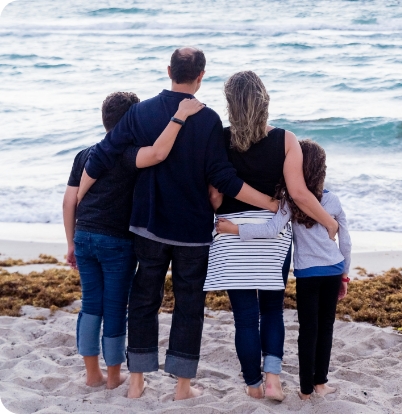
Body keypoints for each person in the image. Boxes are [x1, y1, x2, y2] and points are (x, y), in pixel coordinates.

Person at [79, 47, 279, 401]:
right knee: (189, 306)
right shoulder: (208, 119)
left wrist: (79, 196)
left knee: (144, 301)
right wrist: (270, 203)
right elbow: (223, 177)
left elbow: (104, 154)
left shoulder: (140, 112)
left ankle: (136, 382)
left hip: (148, 225)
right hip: (192, 231)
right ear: (201, 76)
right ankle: (182, 388)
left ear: (169, 70)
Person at [203, 71, 339, 401]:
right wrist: (328, 223)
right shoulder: (286, 139)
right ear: (264, 100)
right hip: (272, 235)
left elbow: (214, 198)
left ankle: (253, 385)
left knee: (245, 318)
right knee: (272, 310)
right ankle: (274, 379)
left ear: (230, 104)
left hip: (231, 235)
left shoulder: (219, 139)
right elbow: (299, 194)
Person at [63, 92, 204, 389]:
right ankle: (114, 377)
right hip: (116, 242)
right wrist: (180, 116)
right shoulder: (128, 155)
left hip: (84, 236)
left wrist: (71, 243)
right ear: (134, 120)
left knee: (91, 305)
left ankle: (92, 374)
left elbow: (69, 201)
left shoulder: (85, 154)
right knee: (115, 308)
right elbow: (158, 153)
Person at [216, 139, 351, 400]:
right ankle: (320, 383)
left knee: (308, 329)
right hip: (334, 270)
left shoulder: (290, 202)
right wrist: (344, 274)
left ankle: (305, 391)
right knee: (326, 328)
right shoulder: (332, 200)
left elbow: (270, 230)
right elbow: (345, 241)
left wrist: (234, 229)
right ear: (322, 170)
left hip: (307, 274)